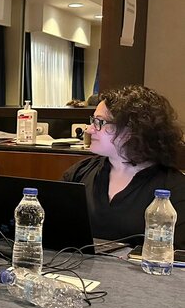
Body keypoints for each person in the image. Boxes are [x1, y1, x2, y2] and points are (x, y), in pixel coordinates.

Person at [62, 85, 185, 249]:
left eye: (99, 122)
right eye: (92, 121)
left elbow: (176, 259)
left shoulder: (174, 188)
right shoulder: (79, 173)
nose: (89, 129)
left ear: (133, 130)